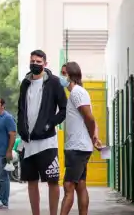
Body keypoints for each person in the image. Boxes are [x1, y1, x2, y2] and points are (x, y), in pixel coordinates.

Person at [17, 50, 68, 215]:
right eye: (32, 61)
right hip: (28, 142)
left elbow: (63, 110)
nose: (35, 64)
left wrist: (49, 124)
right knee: (31, 181)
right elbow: (20, 109)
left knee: (53, 181)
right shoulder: (25, 83)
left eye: (39, 62)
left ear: (45, 64)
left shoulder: (54, 82)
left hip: (47, 141)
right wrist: (21, 129)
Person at [60, 62, 102, 215]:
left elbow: (90, 118)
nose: (61, 76)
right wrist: (94, 136)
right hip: (78, 147)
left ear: (72, 75)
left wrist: (93, 137)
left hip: (77, 148)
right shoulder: (77, 93)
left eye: (64, 73)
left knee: (68, 186)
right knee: (80, 185)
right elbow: (91, 119)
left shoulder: (77, 92)